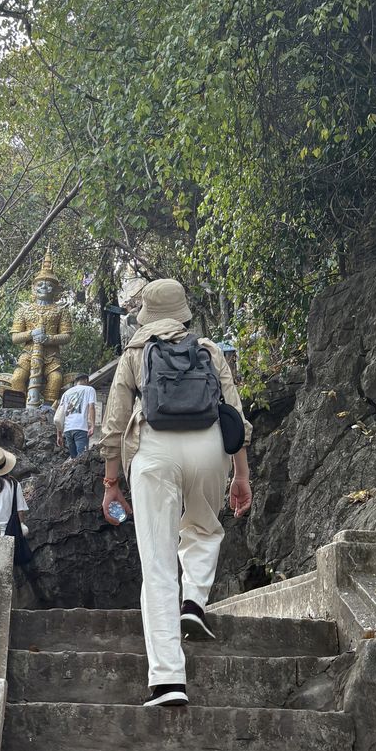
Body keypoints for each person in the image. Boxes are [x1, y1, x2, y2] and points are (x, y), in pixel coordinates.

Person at [100, 278, 251, 709]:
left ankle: (169, 681)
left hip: (153, 450)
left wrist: (111, 483)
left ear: (145, 316)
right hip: (208, 445)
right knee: (204, 529)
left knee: (158, 563)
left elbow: (113, 426)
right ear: (185, 313)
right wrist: (241, 475)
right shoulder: (209, 350)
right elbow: (235, 417)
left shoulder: (134, 354)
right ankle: (194, 602)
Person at [56, 377, 97, 456]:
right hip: (81, 428)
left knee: (74, 459)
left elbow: (59, 415)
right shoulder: (89, 389)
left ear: (75, 382)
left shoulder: (66, 393)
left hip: (68, 429)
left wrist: (59, 435)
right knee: (82, 458)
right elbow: (91, 407)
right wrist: (92, 426)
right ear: (86, 380)